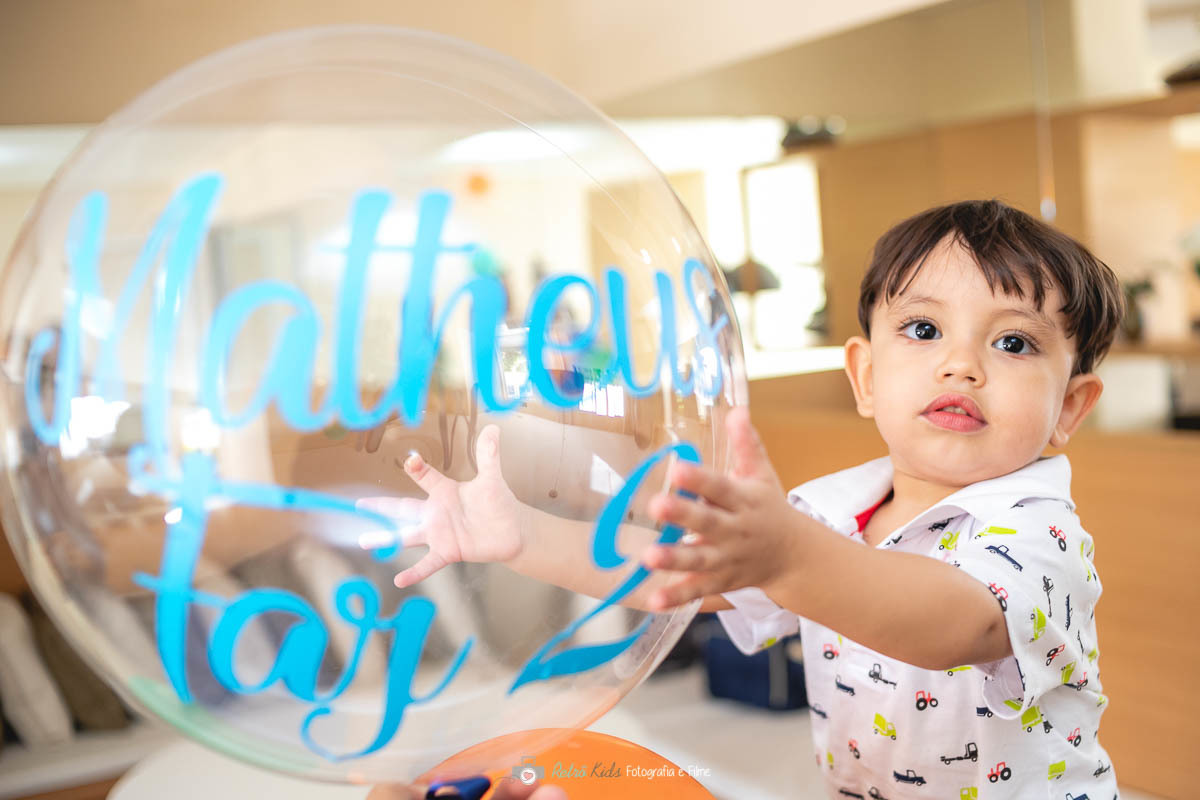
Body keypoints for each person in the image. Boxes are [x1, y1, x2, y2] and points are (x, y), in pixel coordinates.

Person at [367, 200, 1122, 797]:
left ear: (1069, 407)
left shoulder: (1040, 534)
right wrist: (521, 535)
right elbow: (677, 571)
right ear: (864, 376)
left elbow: (949, 622)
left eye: (1014, 343)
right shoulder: (836, 511)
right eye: (923, 329)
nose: (961, 365)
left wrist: (788, 554)